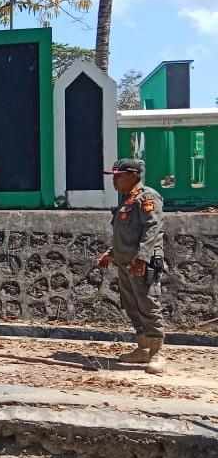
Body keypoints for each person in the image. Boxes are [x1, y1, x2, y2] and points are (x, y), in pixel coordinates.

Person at [97, 158, 166, 374]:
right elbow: (126, 234)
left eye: (119, 176)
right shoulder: (127, 200)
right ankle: (143, 348)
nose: (115, 181)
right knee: (131, 304)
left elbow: (152, 229)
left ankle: (157, 353)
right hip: (125, 261)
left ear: (134, 175)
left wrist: (142, 257)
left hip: (141, 262)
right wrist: (111, 253)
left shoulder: (147, 197)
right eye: (113, 176)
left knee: (148, 304)